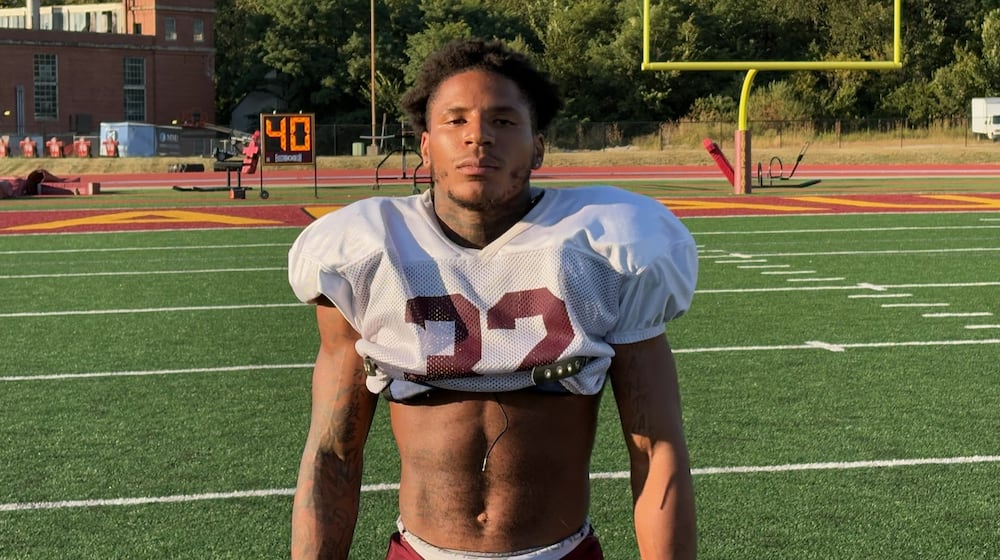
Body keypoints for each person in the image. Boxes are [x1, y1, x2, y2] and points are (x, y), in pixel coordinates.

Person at [288, 38, 698, 560]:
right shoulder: (367, 252)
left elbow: (655, 448)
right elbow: (333, 452)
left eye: (503, 121)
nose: (478, 136)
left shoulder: (607, 247)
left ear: (538, 146)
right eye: (455, 120)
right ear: (425, 146)